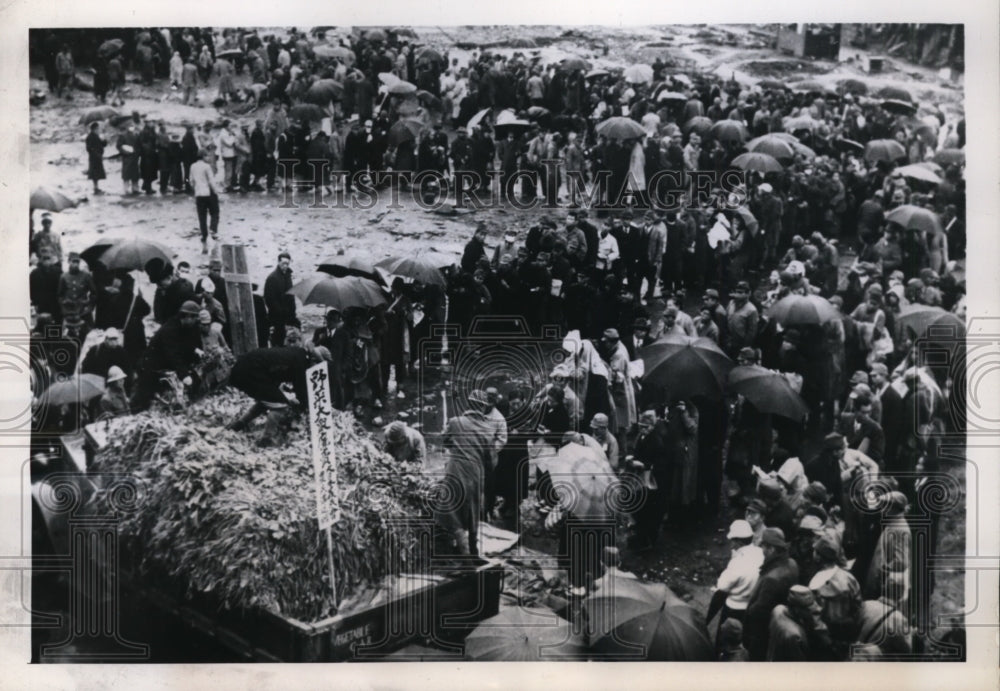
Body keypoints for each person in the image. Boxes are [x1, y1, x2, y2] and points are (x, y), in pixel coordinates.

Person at [226, 343, 331, 446]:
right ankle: (266, 440)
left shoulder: (298, 353)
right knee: (280, 406)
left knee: (269, 400)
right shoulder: (301, 362)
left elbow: (279, 373)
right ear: (314, 360)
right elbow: (301, 393)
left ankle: (238, 424)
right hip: (250, 373)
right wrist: (305, 408)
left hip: (245, 369)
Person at [436, 389, 495, 556]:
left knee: (454, 512)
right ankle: (473, 548)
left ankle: (465, 556)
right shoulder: (488, 428)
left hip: (456, 470)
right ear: (483, 408)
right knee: (473, 510)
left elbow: (445, 440)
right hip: (476, 473)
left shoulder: (455, 422)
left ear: (469, 404)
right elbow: (490, 458)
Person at [129, 300, 203, 412]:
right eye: (194, 318)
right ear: (187, 316)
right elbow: (173, 354)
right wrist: (184, 374)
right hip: (150, 366)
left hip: (163, 364)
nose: (196, 321)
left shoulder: (183, 326)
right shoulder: (170, 329)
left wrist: (195, 350)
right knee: (144, 398)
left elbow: (185, 342)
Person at [744, 527, 800, 661]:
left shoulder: (771, 578)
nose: (761, 549)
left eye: (763, 546)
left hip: (762, 632)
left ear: (772, 549)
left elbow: (759, 610)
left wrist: (748, 611)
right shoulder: (792, 563)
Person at [707, 519, 765, 642]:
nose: (731, 544)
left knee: (724, 637)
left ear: (737, 541)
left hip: (734, 606)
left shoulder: (737, 562)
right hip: (750, 603)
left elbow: (722, 586)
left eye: (732, 540)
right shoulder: (760, 553)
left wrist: (731, 563)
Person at [766, 585, 830, 661]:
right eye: (809, 610)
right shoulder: (794, 636)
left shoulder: (778, 609)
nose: (815, 611)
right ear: (797, 610)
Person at [189, 149, 221, 253]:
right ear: (203, 156)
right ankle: (213, 229)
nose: (208, 158)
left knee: (201, 216)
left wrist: (195, 188)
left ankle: (204, 234)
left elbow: (191, 181)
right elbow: (211, 181)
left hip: (199, 193)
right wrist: (216, 191)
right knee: (215, 212)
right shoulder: (207, 167)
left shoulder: (192, 166)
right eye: (207, 156)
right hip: (209, 192)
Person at [264, 252, 296, 347]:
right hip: (277, 317)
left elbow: (291, 295)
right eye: (283, 263)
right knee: (277, 340)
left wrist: (292, 312)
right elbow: (269, 299)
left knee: (289, 341)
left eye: (287, 263)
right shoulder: (272, 278)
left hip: (288, 316)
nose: (285, 266)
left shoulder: (288, 276)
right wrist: (281, 312)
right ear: (278, 262)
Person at [85, 123, 107, 194]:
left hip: (97, 157)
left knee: (96, 173)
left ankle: (96, 188)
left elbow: (102, 145)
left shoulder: (96, 136)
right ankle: (95, 188)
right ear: (95, 129)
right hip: (94, 158)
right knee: (95, 174)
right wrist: (97, 155)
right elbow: (89, 148)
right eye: (98, 128)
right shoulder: (90, 137)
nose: (99, 130)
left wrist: (104, 140)